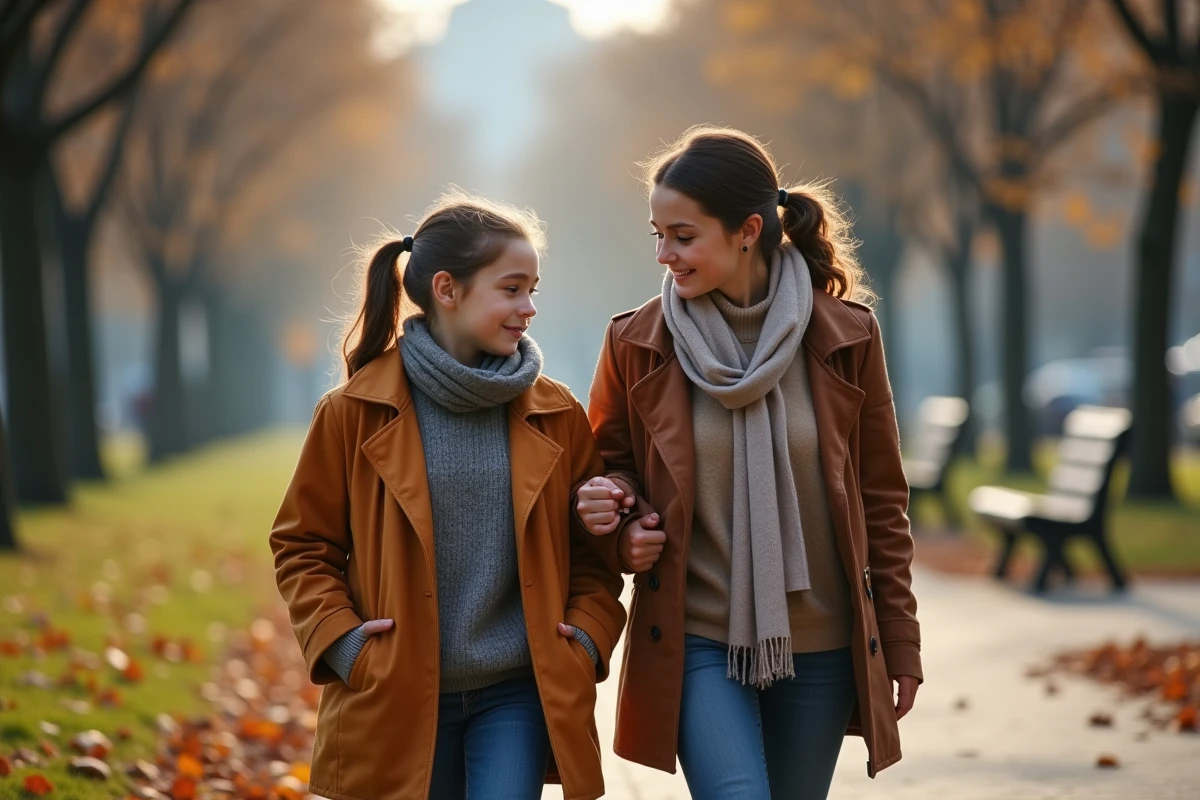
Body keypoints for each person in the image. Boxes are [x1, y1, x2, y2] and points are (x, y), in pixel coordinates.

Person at [575, 126, 923, 799]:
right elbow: (610, 469)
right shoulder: (636, 343)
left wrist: (900, 641)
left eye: (682, 235)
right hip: (699, 637)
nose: (663, 254)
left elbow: (882, 499)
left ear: (747, 230)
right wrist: (621, 525)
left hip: (823, 645)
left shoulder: (848, 336)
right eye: (656, 234)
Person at [270, 192, 626, 800]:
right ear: (447, 289)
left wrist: (587, 634)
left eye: (534, 289)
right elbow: (302, 545)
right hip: (397, 691)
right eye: (512, 289)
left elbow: (592, 555)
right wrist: (348, 646)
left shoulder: (557, 413)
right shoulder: (352, 412)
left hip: (517, 691)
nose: (529, 307)